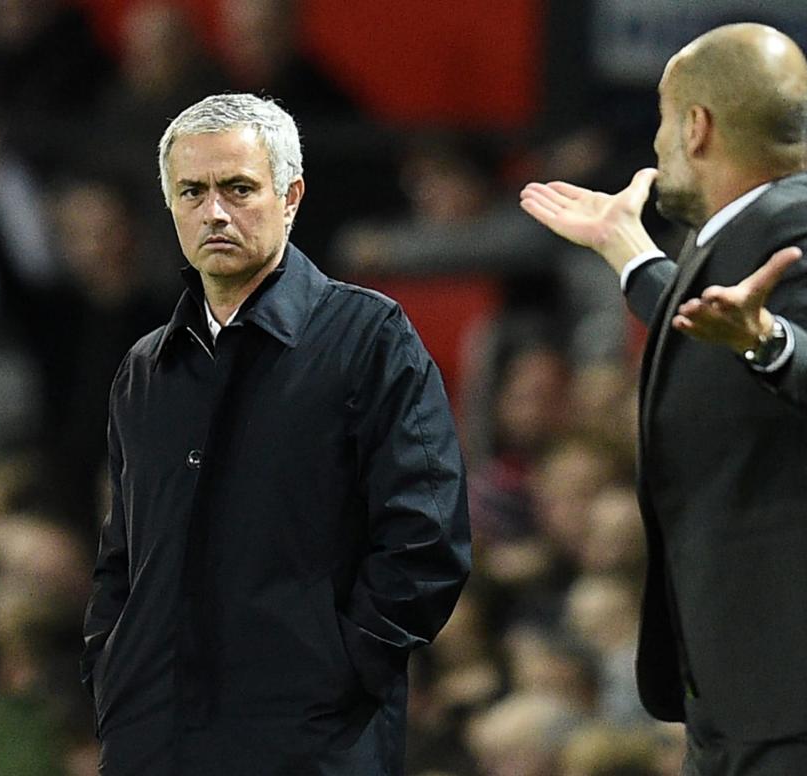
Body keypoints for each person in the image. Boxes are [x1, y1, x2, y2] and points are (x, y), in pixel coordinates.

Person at [520, 23, 807, 775]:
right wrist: (631, 256)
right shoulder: (740, 236)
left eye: (663, 118)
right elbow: (710, 326)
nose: (655, 144)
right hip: (756, 687)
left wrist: (769, 340)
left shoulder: (801, 225)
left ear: (697, 126)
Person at [81, 93, 471, 775]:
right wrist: (114, 672)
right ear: (169, 204)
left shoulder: (368, 338)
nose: (215, 212)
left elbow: (426, 539)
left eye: (238, 188)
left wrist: (336, 674)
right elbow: (123, 557)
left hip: (309, 744)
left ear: (290, 196)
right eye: (192, 192)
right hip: (152, 743)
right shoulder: (145, 369)